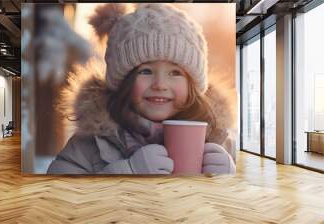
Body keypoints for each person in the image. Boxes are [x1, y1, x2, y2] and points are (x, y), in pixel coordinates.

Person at [47, 3, 236, 174]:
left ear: (192, 85)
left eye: (175, 73)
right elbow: (58, 196)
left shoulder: (219, 141)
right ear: (123, 82)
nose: (160, 85)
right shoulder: (90, 144)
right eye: (146, 71)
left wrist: (228, 179)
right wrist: (127, 171)